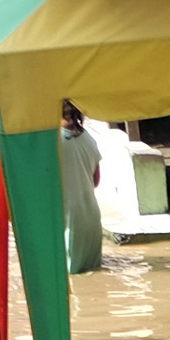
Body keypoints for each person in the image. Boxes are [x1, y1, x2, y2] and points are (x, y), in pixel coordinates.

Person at [58, 102, 105, 275]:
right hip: (91, 220)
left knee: (72, 278)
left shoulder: (54, 142)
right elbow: (96, 181)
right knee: (94, 274)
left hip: (69, 221)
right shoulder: (89, 139)